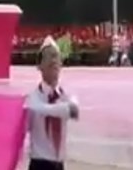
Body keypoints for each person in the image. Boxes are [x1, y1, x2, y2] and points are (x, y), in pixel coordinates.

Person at [24, 36, 79, 170]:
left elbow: (73, 111)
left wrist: (40, 108)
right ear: (39, 65)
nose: (53, 60)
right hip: (38, 165)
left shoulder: (67, 95)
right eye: (48, 56)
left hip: (59, 165)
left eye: (55, 56)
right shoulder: (33, 97)